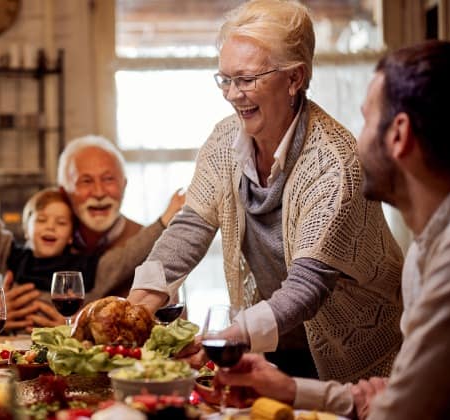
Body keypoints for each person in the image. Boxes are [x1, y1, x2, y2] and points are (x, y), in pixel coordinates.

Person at [127, 0, 403, 382]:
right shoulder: (226, 139)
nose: (231, 94)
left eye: (246, 79)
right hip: (273, 343)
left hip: (354, 355)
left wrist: (223, 340)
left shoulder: (334, 162)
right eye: (224, 79)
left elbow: (308, 286)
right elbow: (191, 226)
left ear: (295, 78)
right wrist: (136, 304)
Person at [213, 40, 450, 420]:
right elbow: (390, 399)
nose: (353, 140)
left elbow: (399, 413)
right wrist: (292, 389)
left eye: (366, 120)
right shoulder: (425, 251)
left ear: (398, 135)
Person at [0, 135, 184, 330]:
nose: (98, 192)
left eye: (108, 179)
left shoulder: (153, 246)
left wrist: (80, 330)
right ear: (64, 191)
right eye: (85, 181)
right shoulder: (36, 249)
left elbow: (174, 327)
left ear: (124, 185)